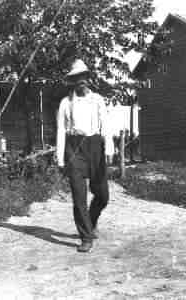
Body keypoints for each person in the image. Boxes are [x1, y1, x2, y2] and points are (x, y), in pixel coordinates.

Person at [56, 59, 114, 253]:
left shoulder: (97, 99)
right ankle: (86, 236)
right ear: (72, 81)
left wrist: (109, 150)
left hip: (95, 146)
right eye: (77, 78)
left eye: (84, 77)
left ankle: (91, 219)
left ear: (88, 79)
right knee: (79, 196)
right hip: (74, 148)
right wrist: (60, 159)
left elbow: (105, 124)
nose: (81, 81)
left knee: (103, 195)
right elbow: (61, 131)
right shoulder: (66, 103)